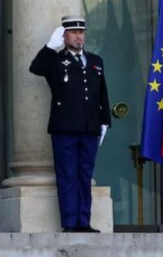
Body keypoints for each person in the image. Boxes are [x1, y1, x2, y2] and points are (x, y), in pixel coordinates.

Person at [29, 15, 110, 233]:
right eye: (73, 32)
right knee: (67, 176)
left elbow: (102, 94)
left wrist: (105, 122)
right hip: (64, 128)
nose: (78, 36)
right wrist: (49, 47)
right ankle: (70, 223)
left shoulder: (95, 61)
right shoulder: (54, 60)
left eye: (81, 32)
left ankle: (83, 222)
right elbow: (35, 68)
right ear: (64, 36)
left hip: (89, 127)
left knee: (85, 175)